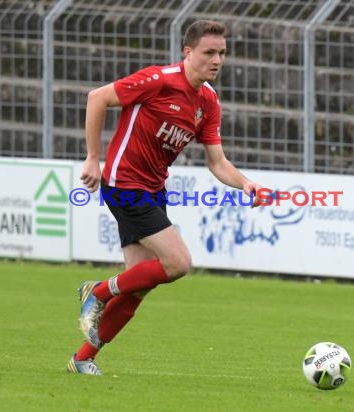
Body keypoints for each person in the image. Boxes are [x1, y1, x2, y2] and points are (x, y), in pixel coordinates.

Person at [67, 19, 262, 375]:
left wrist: (245, 183)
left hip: (154, 190)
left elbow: (217, 162)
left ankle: (82, 359)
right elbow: (98, 98)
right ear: (188, 52)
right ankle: (96, 292)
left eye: (222, 53)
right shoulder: (159, 80)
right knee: (178, 262)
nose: (217, 60)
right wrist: (93, 157)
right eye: (209, 52)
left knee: (139, 284)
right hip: (124, 184)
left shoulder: (208, 101)